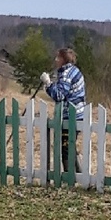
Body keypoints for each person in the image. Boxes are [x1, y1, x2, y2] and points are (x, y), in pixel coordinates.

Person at [39, 46, 86, 178]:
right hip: (78, 114)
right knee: (70, 146)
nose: (55, 60)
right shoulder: (73, 71)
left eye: (58, 57)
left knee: (66, 148)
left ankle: (70, 177)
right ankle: (79, 176)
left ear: (64, 59)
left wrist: (48, 83)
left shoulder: (66, 74)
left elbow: (59, 95)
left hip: (71, 116)